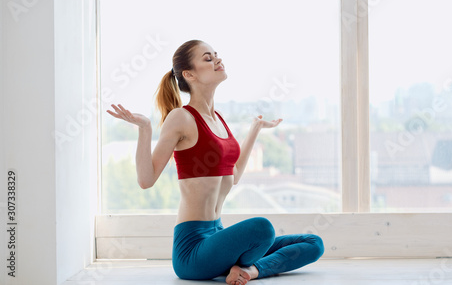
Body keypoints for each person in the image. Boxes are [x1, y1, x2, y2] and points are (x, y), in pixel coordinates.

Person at [107, 39, 324, 285]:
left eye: (216, 55)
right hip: (193, 250)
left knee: (313, 243)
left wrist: (255, 129)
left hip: (217, 236)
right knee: (262, 229)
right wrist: (145, 128)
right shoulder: (181, 117)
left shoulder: (218, 119)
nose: (217, 60)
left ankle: (250, 271)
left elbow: (234, 175)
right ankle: (247, 267)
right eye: (208, 58)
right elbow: (146, 180)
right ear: (189, 74)